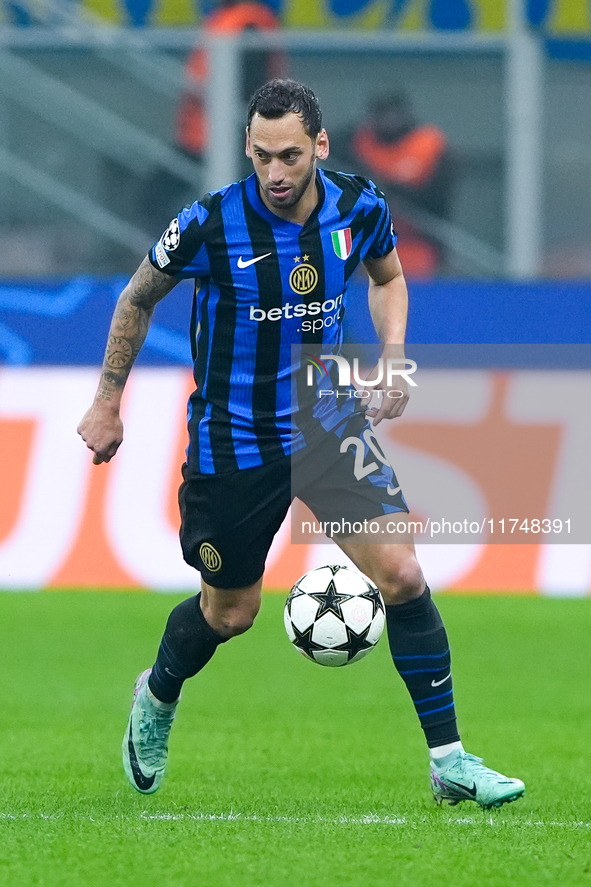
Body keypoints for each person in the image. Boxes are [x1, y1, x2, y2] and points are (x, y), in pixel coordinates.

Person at [77, 79, 524, 809]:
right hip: (236, 441)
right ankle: (156, 696)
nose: (275, 173)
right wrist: (105, 403)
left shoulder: (357, 205)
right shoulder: (210, 222)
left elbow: (388, 276)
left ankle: (449, 760)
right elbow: (136, 297)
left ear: (318, 145)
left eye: (288, 155)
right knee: (231, 613)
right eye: (260, 157)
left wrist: (393, 356)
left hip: (327, 422)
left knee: (404, 576)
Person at [343, 92, 456, 277]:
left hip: (418, 244)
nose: (388, 120)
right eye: (381, 114)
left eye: (393, 113)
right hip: (370, 244)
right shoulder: (357, 143)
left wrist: (390, 189)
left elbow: (438, 201)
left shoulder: (429, 144)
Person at [176, 0, 283, 164]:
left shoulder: (248, 21)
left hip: (225, 133)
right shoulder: (225, 16)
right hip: (201, 131)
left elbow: (250, 84)